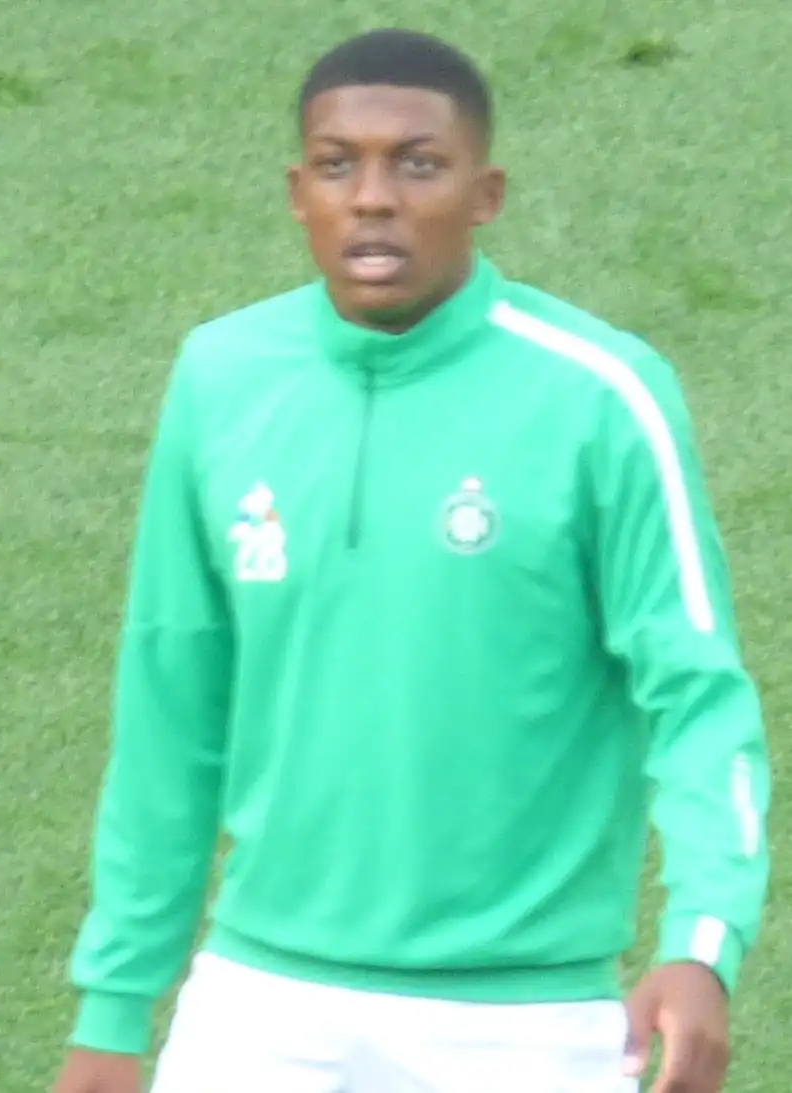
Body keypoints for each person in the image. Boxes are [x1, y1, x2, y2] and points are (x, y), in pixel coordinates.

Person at [52, 27, 770, 1093]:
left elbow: (699, 699)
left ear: (486, 195)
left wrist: (702, 942)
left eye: (418, 164)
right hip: (258, 1010)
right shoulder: (221, 378)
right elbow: (171, 709)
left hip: (527, 1026)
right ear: (298, 192)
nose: (374, 198)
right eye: (338, 165)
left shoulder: (601, 395)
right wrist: (113, 1011)